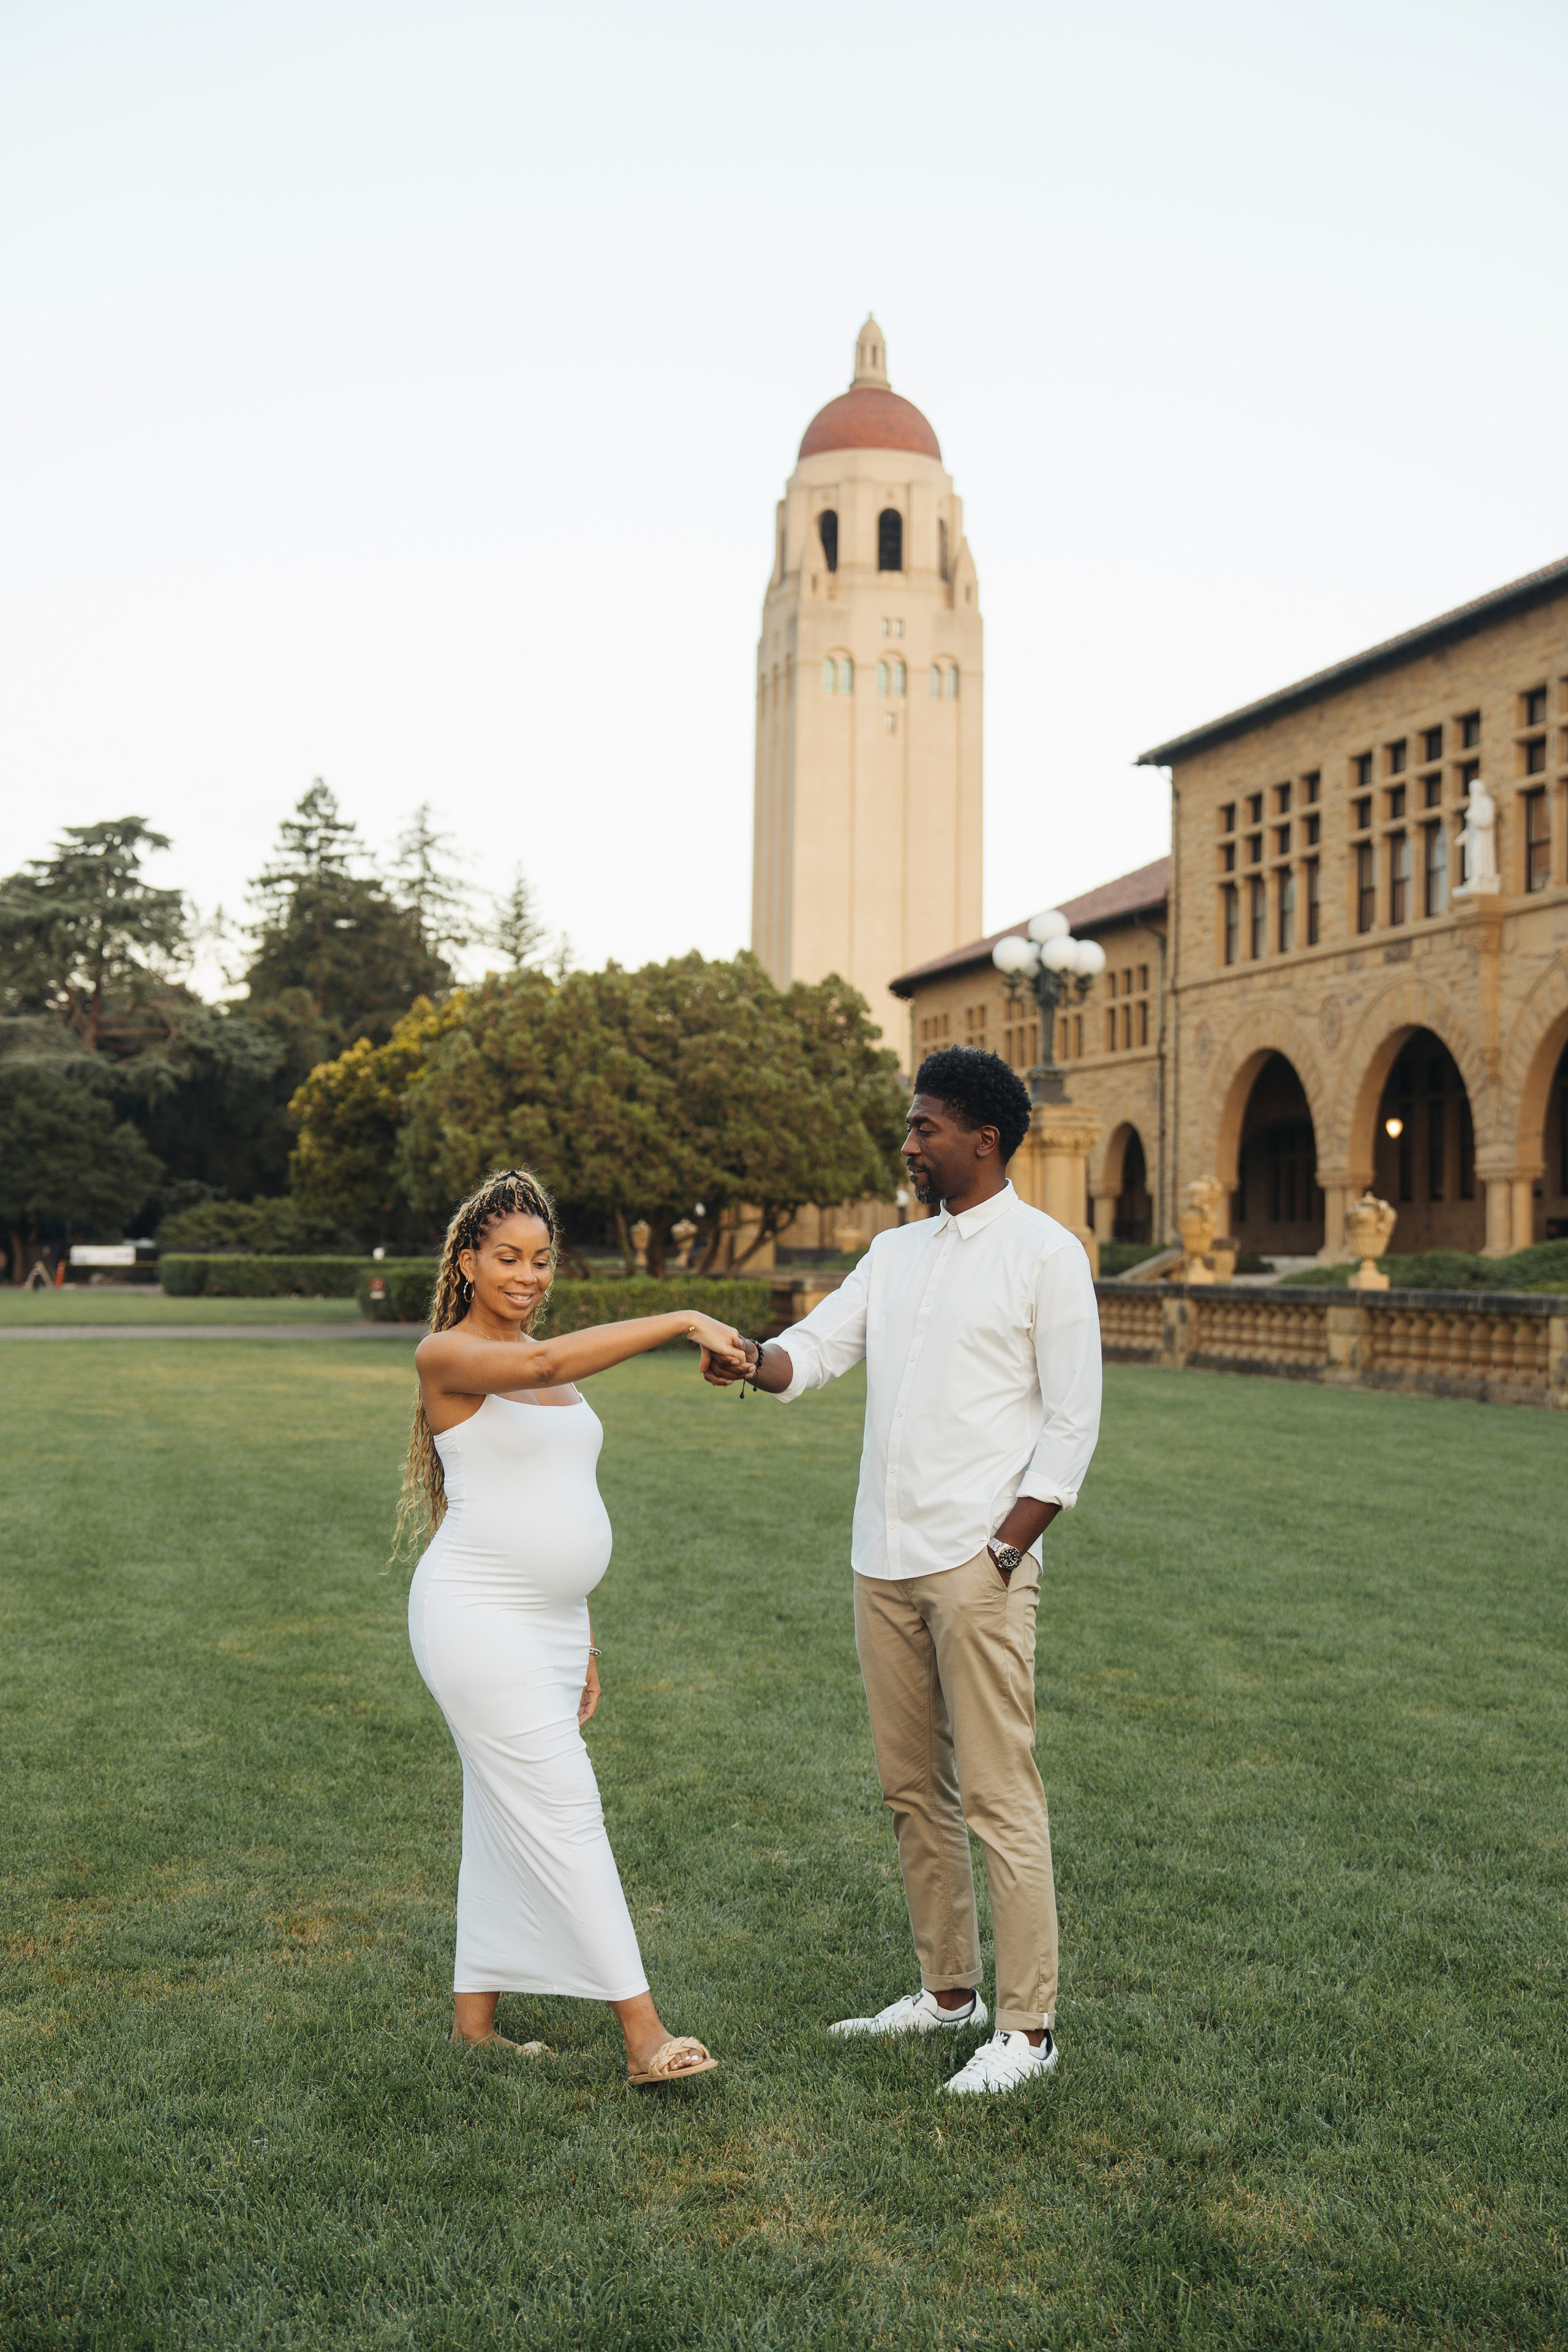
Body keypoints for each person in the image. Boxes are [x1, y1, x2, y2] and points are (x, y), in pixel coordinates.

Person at [707, 1047, 1101, 2097]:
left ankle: (1028, 2032)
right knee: (911, 1790)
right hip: (879, 1561)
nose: (910, 1143)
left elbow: (1072, 1423)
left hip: (978, 1564)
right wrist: (747, 1356)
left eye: (926, 1127)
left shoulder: (1046, 1254)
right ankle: (947, 1994)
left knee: (1000, 1797)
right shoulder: (894, 1253)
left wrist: (1005, 1549)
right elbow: (811, 1353)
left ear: (984, 1139)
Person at [399, 1167, 751, 2086]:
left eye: (543, 1260)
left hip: (550, 1626)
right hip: (475, 1616)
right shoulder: (447, 1355)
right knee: (565, 1810)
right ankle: (644, 2037)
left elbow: (557, 1497)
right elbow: (545, 1368)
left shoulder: (540, 1355)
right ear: (468, 1262)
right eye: (508, 1257)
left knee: (500, 1810)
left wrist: (581, 1636)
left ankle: (473, 2028)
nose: (528, 1276)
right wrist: (683, 1319)